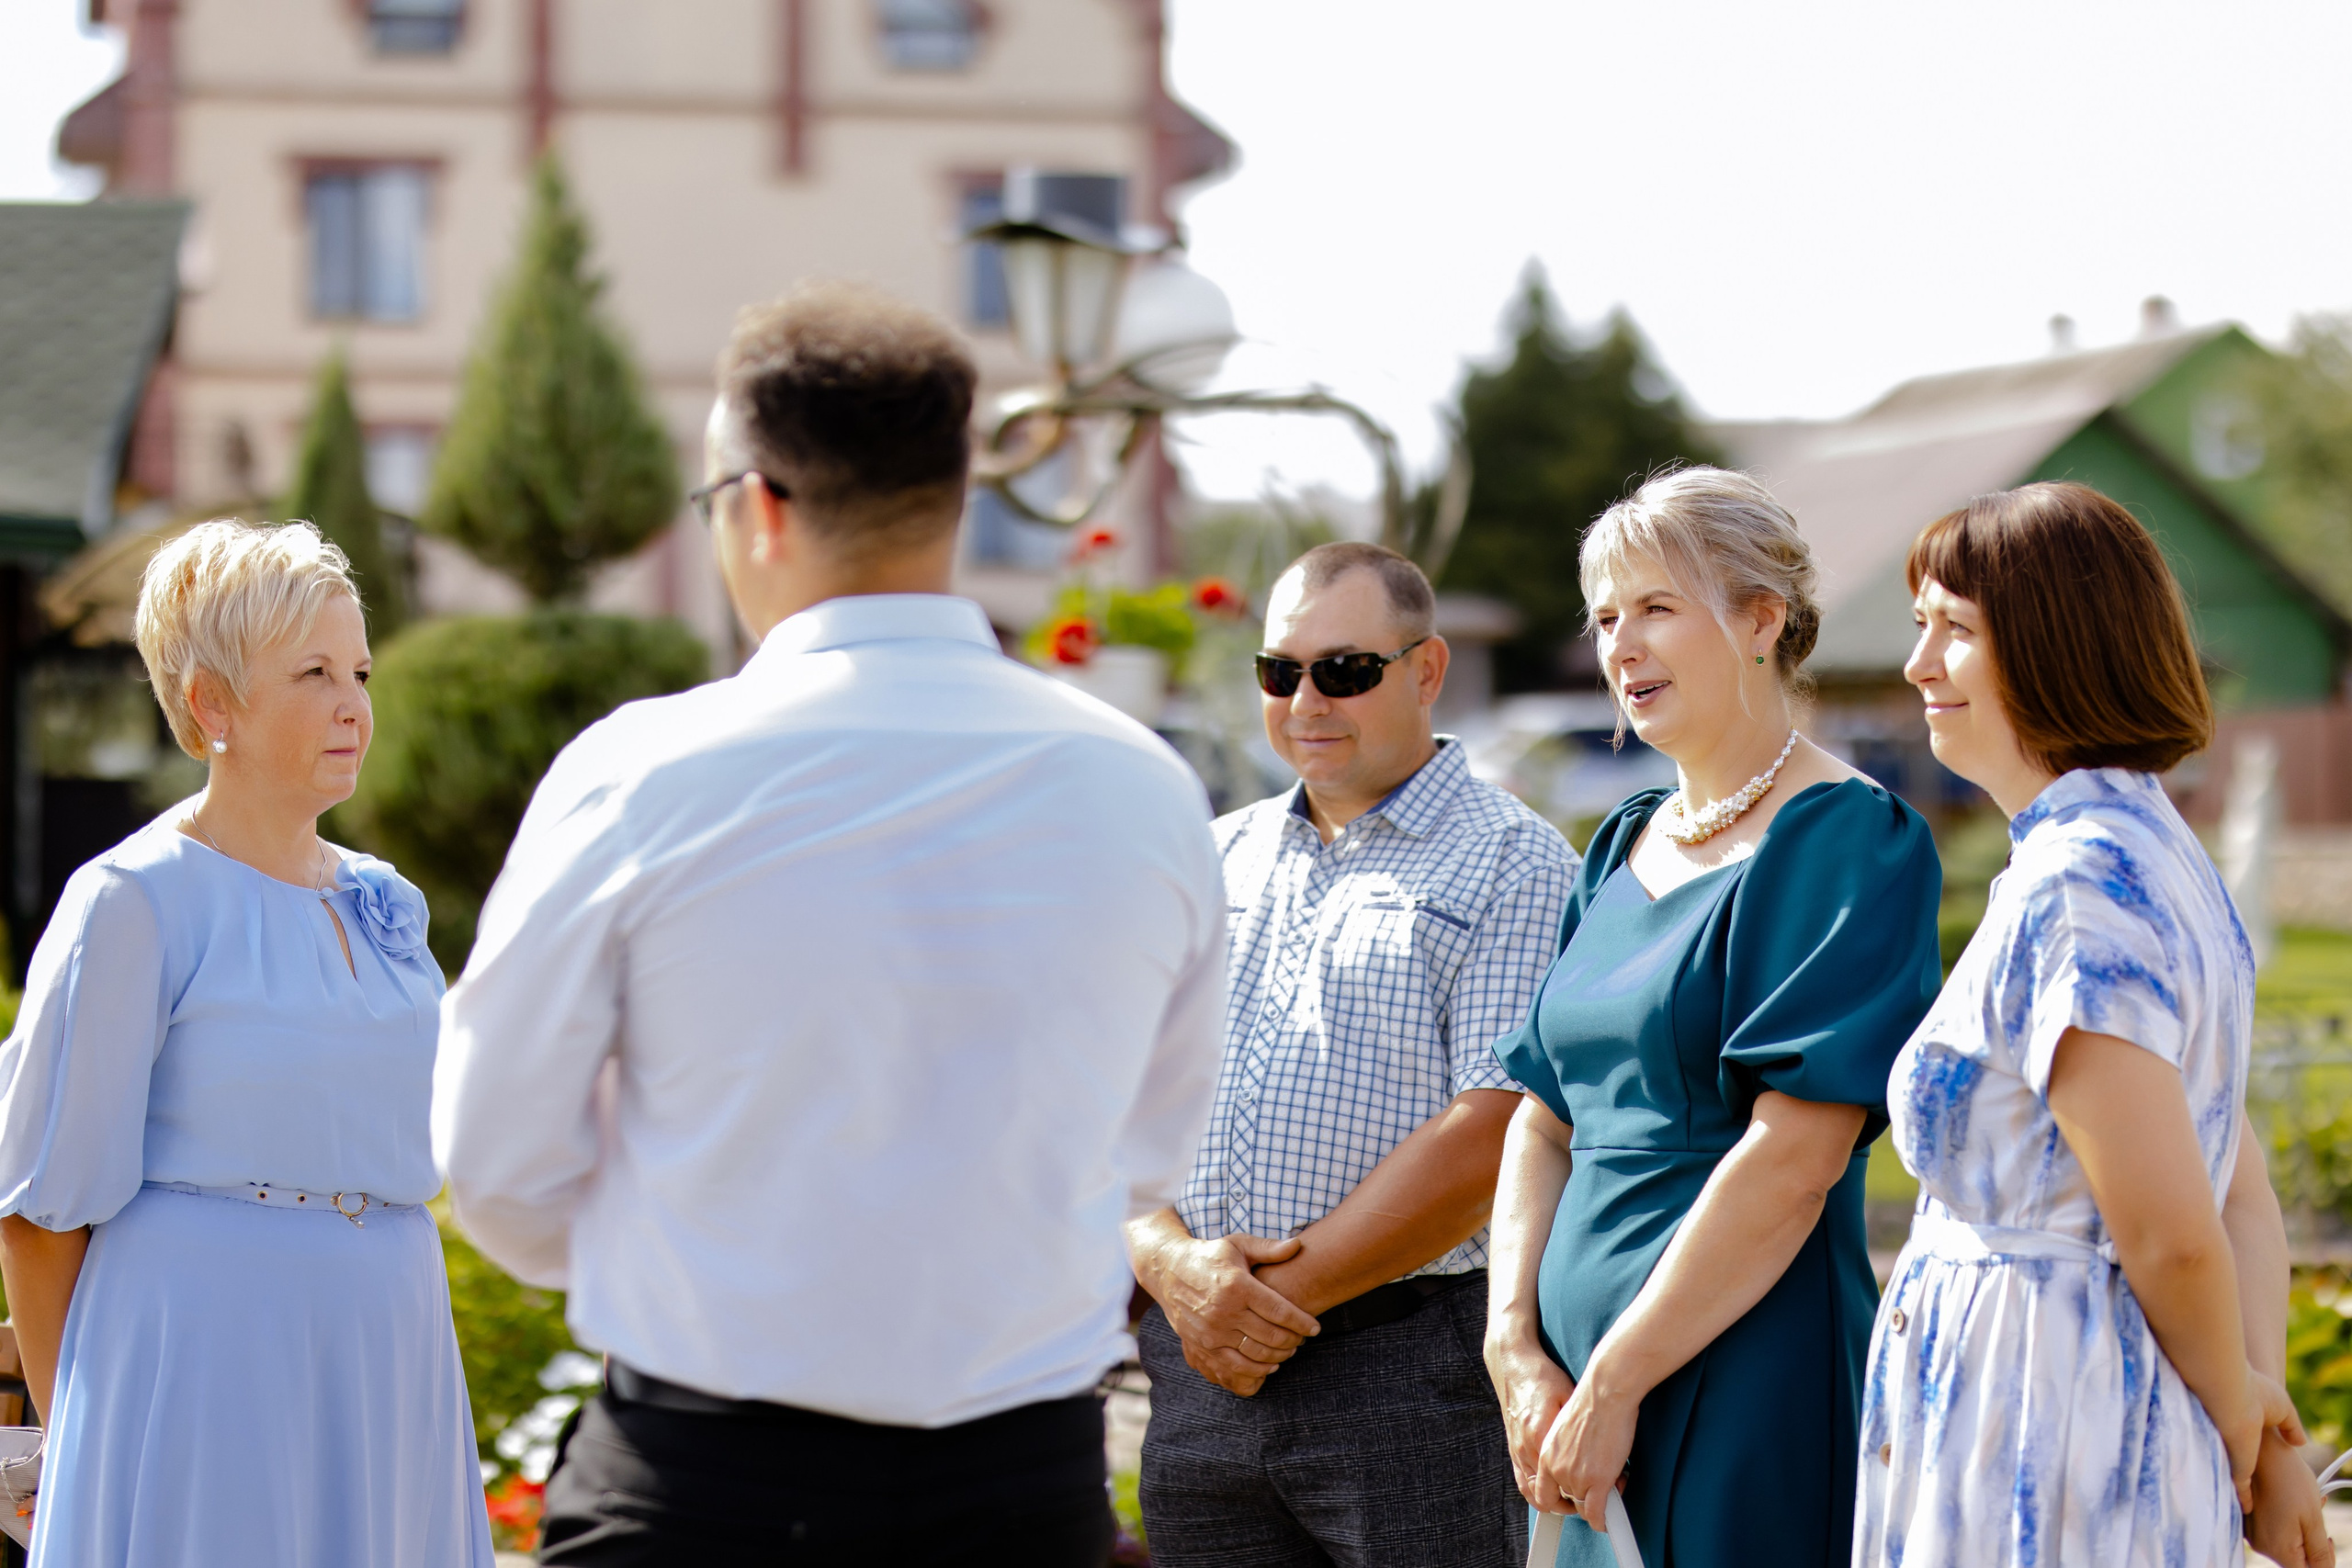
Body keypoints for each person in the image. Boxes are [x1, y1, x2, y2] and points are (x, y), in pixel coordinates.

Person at [434, 282, 1227, 1565]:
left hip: (705, 1487)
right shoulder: (1143, 785)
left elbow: (499, 1158)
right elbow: (1148, 1153)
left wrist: (695, 1236)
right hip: (1020, 1494)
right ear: (958, 499)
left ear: (756, 505)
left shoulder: (638, 773)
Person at [0, 520, 492, 1566]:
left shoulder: (381, 901)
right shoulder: (133, 903)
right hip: (199, 1375)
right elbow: (38, 1222)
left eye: (358, 667)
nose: (354, 701)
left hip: (391, 1353)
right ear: (208, 705)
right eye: (311, 672)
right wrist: (86, 1449)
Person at [1857, 480, 2326, 1568]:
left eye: (1955, 632)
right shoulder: (2149, 849)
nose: (1919, 665)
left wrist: (2254, 1438)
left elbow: (2173, 1226)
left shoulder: (2077, 884)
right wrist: (2259, 1419)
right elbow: (2236, 1188)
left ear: (2056, 645)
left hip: (2047, 1414)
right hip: (2080, 1400)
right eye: (1921, 626)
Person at [1481, 467, 1943, 1566]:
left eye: (1654, 608)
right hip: (1569, 1388)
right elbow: (1542, 1118)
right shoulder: (1619, 842)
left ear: (1759, 620)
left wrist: (1615, 1381)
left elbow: (1795, 1155)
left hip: (1738, 1374)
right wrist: (1512, 1348)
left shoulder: (1845, 839)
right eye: (1603, 618)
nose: (1619, 646)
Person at [1125, 541, 1577, 1565]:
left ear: (1426, 670)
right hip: (1200, 1368)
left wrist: (1257, 1307)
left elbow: (1497, 1131)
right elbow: (1117, 1090)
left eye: (1343, 670)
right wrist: (1171, 1269)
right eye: (1280, 673)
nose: (1306, 700)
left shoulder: (1519, 861)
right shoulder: (1212, 851)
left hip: (1404, 1375)